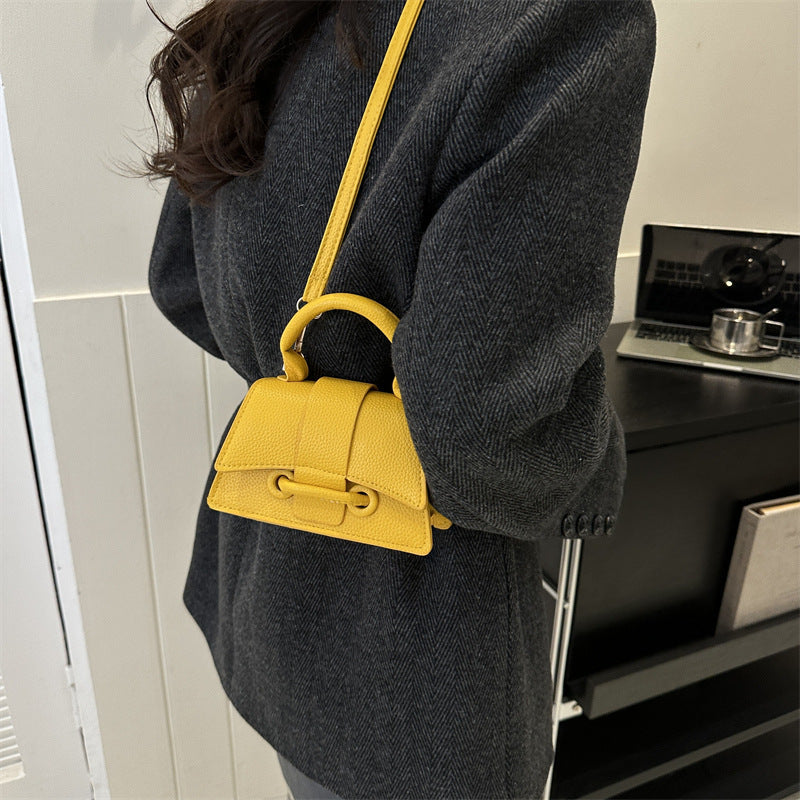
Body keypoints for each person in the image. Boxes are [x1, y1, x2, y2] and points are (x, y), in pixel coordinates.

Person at [143, 0, 656, 797]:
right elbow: (480, 419)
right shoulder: (564, 16)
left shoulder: (265, 14)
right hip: (422, 656)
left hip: (265, 589)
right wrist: (593, 464)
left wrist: (319, 380)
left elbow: (179, 282)